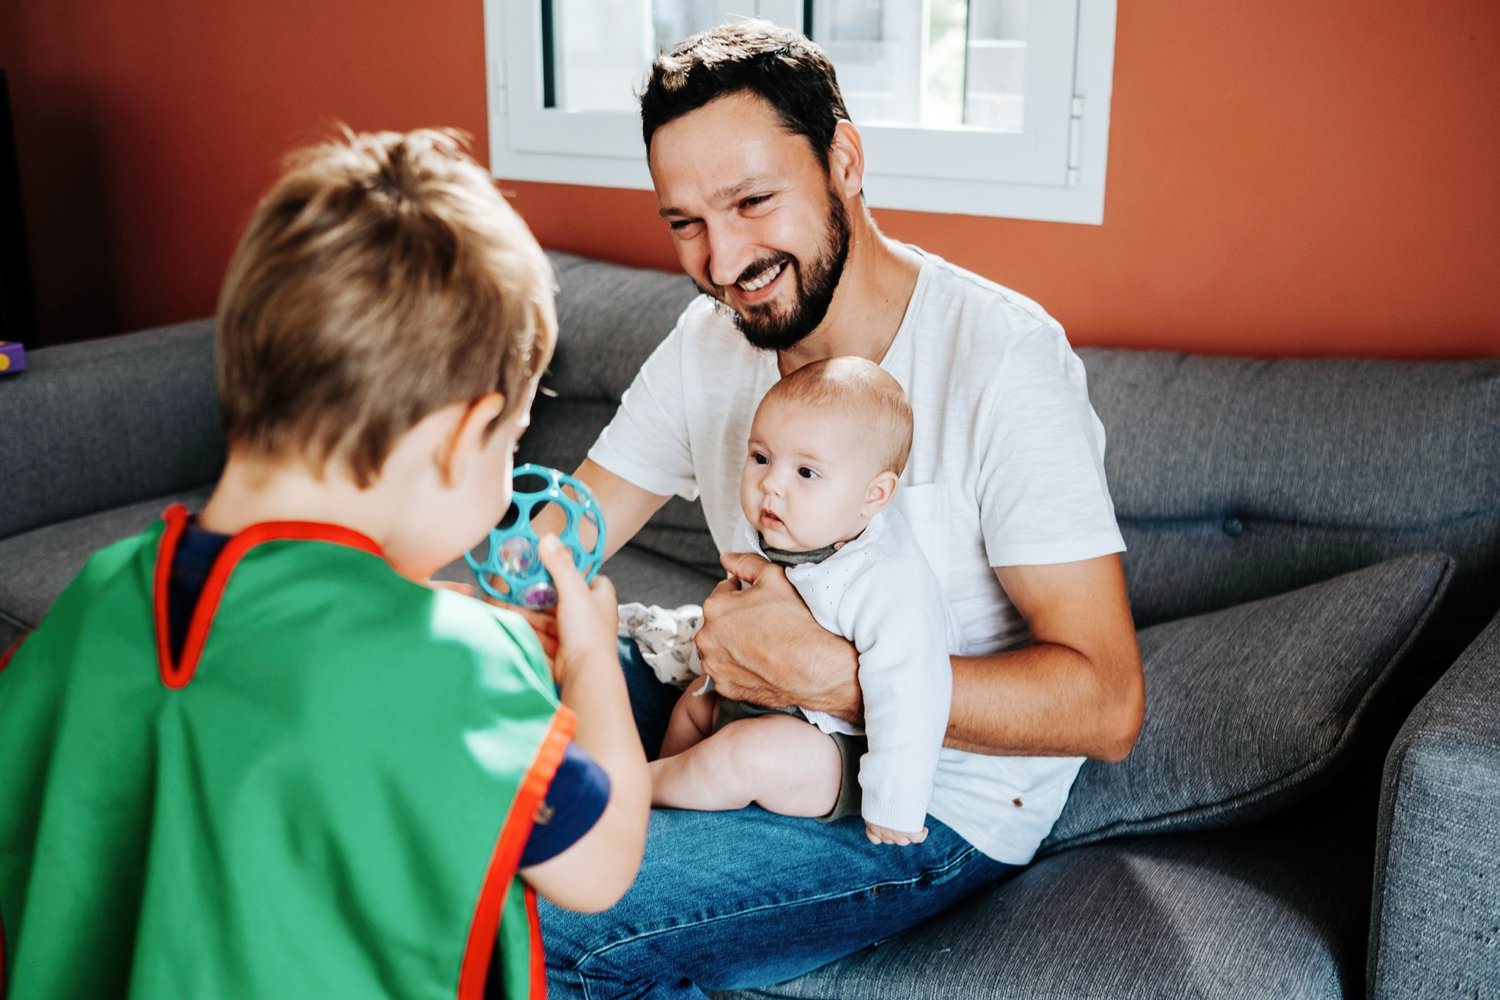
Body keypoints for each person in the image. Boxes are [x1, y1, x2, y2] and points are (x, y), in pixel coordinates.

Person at [528, 19, 1145, 998]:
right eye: (684, 220)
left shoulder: (1000, 359)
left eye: (752, 202)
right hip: (729, 692)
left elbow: (1107, 704)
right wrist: (474, 601)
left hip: (919, 797)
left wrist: (838, 675)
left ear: (844, 161)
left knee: (546, 924)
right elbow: (570, 525)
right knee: (447, 769)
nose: (721, 259)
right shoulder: (709, 343)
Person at [0, 129, 650, 999]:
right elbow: (600, 867)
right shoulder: (452, 666)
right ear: (459, 438)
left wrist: (420, 611)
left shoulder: (95, 599)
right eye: (514, 444)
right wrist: (594, 660)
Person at [652, 356, 954, 847]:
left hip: (830, 749)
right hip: (745, 698)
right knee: (692, 705)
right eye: (761, 458)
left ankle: (640, 788)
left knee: (745, 754)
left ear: (874, 495)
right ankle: (669, 788)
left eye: (807, 472)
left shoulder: (885, 576)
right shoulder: (773, 527)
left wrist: (895, 804)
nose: (772, 483)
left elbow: (913, 689)